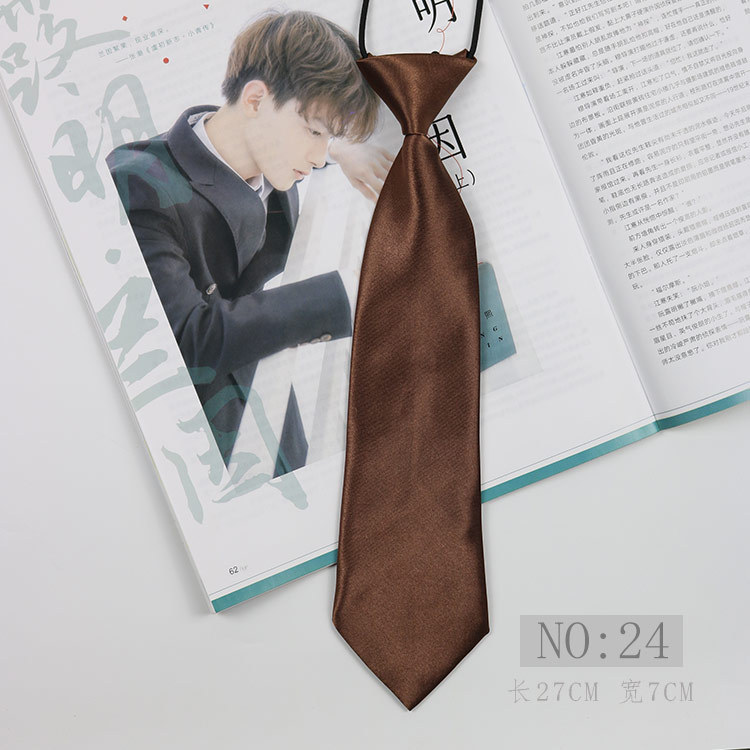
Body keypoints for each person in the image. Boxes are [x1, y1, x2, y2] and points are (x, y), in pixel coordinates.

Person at [106, 10, 391, 474]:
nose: (317, 155)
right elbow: (189, 338)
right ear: (256, 99)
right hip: (196, 446)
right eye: (314, 132)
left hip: (274, 418)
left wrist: (341, 147)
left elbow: (301, 142)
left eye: (327, 138)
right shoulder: (140, 183)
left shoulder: (275, 156)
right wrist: (348, 294)